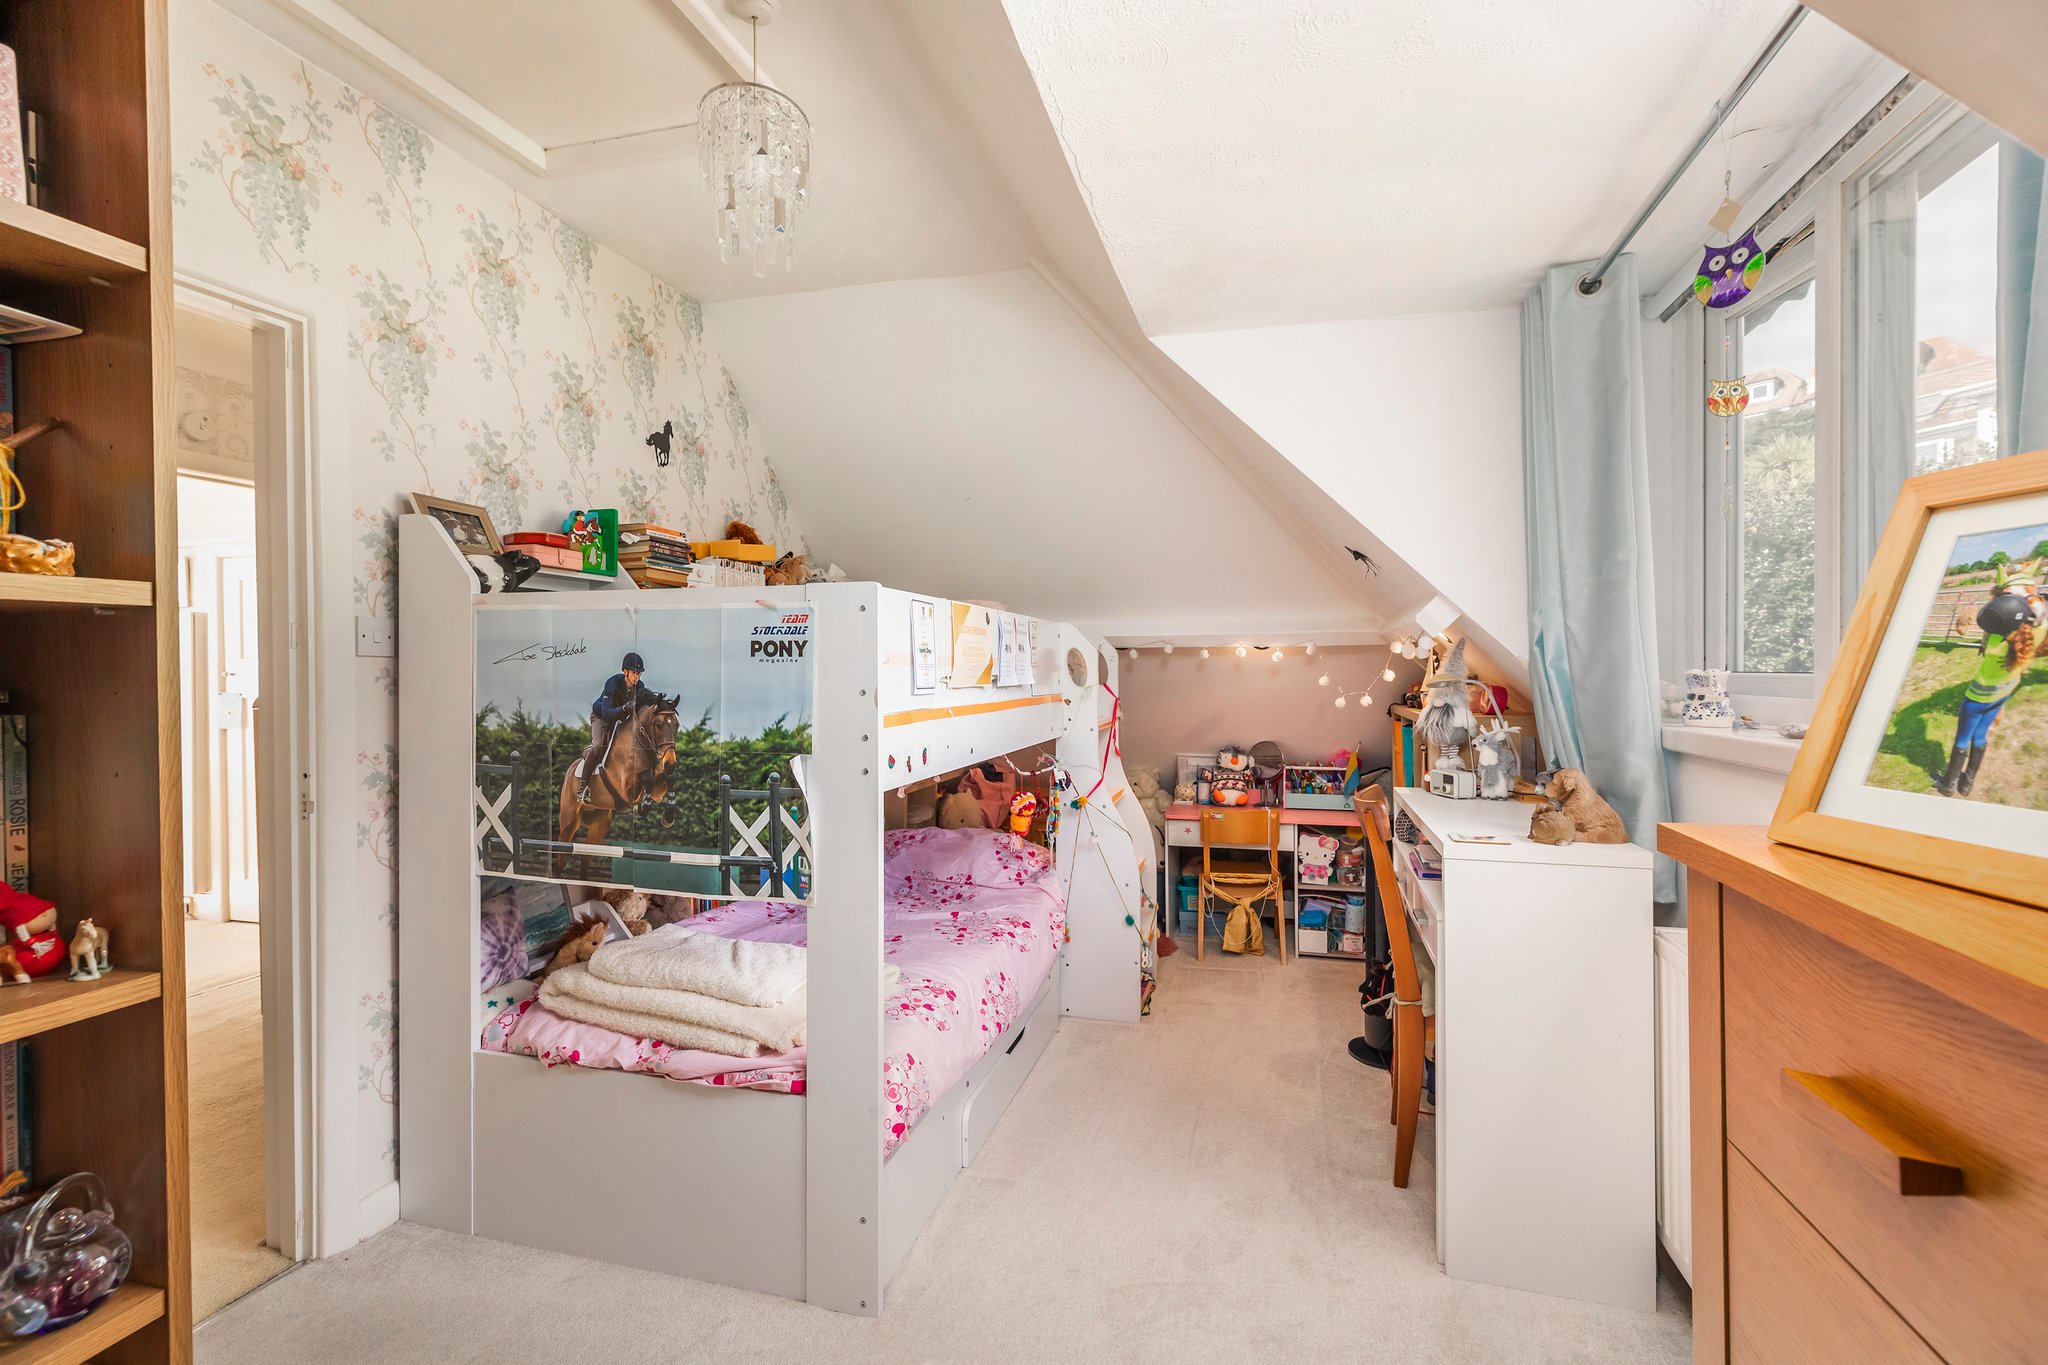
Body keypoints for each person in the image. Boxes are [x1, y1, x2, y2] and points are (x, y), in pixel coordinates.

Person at [1936, 573, 2046, 798]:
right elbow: (2035, 619)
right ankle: (1967, 783)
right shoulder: (2037, 633)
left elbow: (1989, 618)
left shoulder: (1995, 639)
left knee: (1963, 738)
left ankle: (1948, 784)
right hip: (2004, 691)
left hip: (1978, 696)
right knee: (1980, 735)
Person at [579, 652, 656, 805]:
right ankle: (582, 788)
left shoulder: (639, 686)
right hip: (601, 718)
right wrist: (624, 708)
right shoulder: (612, 683)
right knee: (598, 745)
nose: (637, 677)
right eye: (634, 673)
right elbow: (607, 714)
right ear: (625, 671)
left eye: (639, 674)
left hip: (620, 719)